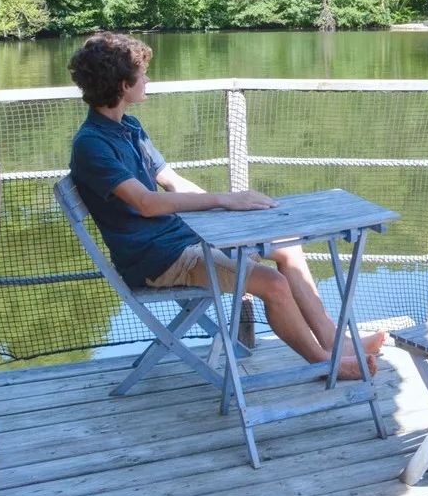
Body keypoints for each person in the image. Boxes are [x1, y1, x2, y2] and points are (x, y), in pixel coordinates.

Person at [66, 32, 384, 378]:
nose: (148, 79)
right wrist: (224, 199)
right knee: (273, 285)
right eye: (142, 73)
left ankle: (334, 339)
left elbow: (170, 180)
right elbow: (146, 203)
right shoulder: (91, 145)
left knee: (288, 247)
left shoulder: (129, 128)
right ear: (122, 85)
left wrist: (228, 214)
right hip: (159, 259)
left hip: (181, 239)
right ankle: (324, 364)